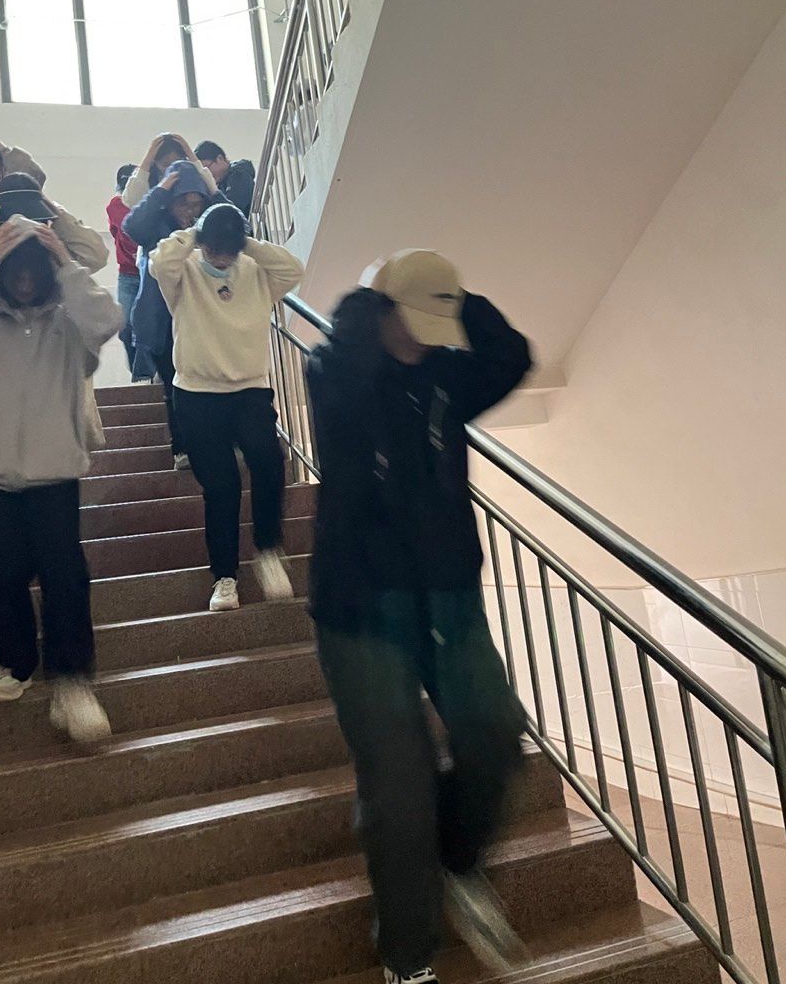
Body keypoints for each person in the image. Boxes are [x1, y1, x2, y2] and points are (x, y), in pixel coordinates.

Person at [305, 250, 533, 984]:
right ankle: (408, 957)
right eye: (415, 321)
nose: (426, 340)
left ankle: (458, 864)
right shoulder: (338, 373)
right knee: (399, 784)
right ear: (383, 311)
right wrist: (365, 312)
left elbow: (513, 357)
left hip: (447, 598)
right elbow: (338, 382)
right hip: (361, 606)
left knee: (494, 734)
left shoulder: (447, 376)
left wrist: (457, 299)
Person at [0, 217, 121, 744]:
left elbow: (108, 318)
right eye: (16, 270)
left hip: (52, 470)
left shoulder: (69, 319)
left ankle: (72, 681)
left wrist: (64, 256)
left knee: (65, 575)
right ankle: (15, 660)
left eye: (35, 270)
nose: (26, 281)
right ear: (1, 272)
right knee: (2, 573)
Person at [150, 204, 304, 611]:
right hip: (197, 394)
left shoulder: (254, 271)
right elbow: (158, 262)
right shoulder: (183, 273)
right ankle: (225, 577)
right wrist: (196, 234)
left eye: (227, 250)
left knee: (269, 463)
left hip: (249, 390)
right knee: (221, 487)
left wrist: (245, 242)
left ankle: (268, 550)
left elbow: (293, 269)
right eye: (213, 249)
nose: (220, 258)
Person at [122, 161, 231, 470]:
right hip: (161, 321)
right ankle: (182, 448)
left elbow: (240, 227)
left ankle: (219, 443)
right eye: (183, 203)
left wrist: (213, 190)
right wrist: (159, 191)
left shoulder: (210, 227)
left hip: (206, 320)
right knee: (174, 387)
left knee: (214, 384)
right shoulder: (155, 224)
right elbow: (132, 227)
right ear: (170, 203)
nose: (190, 211)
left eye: (197, 204)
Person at [0, 173, 108, 283]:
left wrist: (59, 216)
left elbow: (96, 257)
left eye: (32, 217)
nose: (24, 224)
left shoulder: (52, 248)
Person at [106, 163, 153, 380]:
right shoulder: (115, 206)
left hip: (148, 273)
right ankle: (138, 371)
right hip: (127, 274)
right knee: (125, 327)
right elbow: (116, 231)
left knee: (144, 326)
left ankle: (145, 374)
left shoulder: (151, 204)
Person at [120, 133, 216, 210]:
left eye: (177, 162)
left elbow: (212, 189)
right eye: (165, 164)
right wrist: (147, 160)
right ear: (155, 163)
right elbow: (132, 202)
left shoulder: (190, 175)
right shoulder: (150, 178)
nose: (172, 168)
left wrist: (191, 155)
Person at [193, 141, 256, 217]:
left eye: (206, 167)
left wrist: (214, 191)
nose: (207, 174)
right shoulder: (222, 183)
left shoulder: (239, 175)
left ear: (220, 158)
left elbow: (232, 212)